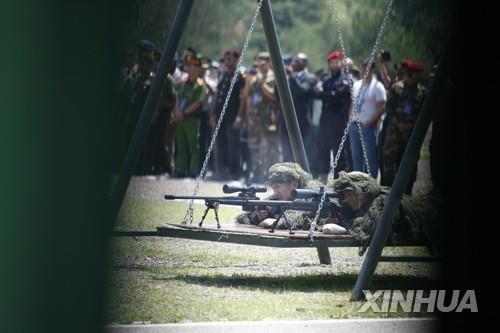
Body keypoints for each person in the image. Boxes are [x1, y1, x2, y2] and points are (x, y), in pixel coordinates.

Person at [327, 171, 442, 254]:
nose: (346, 199)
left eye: (350, 193)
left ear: (364, 191)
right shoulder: (365, 204)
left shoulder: (382, 201)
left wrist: (343, 221)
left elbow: (368, 229)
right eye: (344, 195)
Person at [381, 60, 427, 194]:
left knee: (409, 168)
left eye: (419, 75)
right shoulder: (397, 89)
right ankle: (385, 194)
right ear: (409, 74)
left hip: (412, 136)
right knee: (388, 165)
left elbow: (423, 114)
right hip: (394, 134)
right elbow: (389, 109)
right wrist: (399, 124)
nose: (417, 78)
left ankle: (405, 196)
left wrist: (411, 126)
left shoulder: (422, 92)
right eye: (415, 75)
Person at [235, 162, 323, 229]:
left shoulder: (310, 196)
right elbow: (243, 218)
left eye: (277, 187)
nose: (275, 191)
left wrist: (276, 222)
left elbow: (300, 219)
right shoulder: (276, 199)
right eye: (273, 187)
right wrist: (258, 216)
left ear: (294, 185)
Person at [314, 51, 352, 181]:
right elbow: (316, 94)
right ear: (329, 64)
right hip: (325, 122)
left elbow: (337, 96)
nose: (335, 64)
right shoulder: (327, 80)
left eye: (338, 61)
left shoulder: (346, 80)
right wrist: (329, 94)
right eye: (332, 62)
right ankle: (323, 180)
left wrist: (326, 93)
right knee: (323, 152)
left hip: (338, 123)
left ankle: (339, 182)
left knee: (339, 154)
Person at [210, 50, 247, 180]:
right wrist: (213, 114)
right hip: (221, 116)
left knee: (233, 145)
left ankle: (234, 173)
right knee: (221, 144)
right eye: (226, 59)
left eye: (230, 59)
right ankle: (221, 171)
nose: (227, 61)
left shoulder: (240, 76)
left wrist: (240, 116)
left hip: (233, 116)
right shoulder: (223, 75)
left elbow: (243, 98)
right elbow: (218, 96)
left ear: (236, 61)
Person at [349, 58, 387, 179]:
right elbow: (352, 103)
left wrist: (370, 122)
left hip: (368, 126)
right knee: (356, 156)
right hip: (354, 125)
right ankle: (357, 182)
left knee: (370, 157)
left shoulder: (378, 86)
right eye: (362, 68)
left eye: (367, 68)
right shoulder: (356, 84)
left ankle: (371, 183)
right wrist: (349, 119)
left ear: (372, 70)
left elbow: (382, 107)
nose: (364, 70)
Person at [245, 52, 280, 182]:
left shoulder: (272, 77)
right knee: (254, 146)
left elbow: (273, 96)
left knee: (269, 147)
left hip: (268, 118)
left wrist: (260, 83)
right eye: (258, 61)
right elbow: (247, 95)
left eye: (263, 61)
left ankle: (269, 175)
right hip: (254, 118)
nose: (260, 64)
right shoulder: (256, 77)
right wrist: (249, 81)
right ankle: (256, 172)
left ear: (269, 62)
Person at [279, 53, 317, 163]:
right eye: (294, 61)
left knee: (300, 151)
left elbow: (302, 90)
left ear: (304, 64)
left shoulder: (310, 78)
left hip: (301, 121)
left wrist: (292, 76)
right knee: (286, 150)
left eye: (297, 62)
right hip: (285, 120)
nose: (294, 63)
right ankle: (287, 176)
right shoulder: (289, 77)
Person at [172, 54, 205, 177]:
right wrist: (176, 113)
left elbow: (198, 102)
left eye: (193, 66)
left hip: (191, 119)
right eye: (188, 66)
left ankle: (193, 171)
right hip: (180, 118)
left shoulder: (200, 85)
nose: (190, 69)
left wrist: (183, 113)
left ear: (197, 68)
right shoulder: (183, 84)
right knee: (181, 145)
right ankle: (180, 170)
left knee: (193, 146)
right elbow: (177, 98)